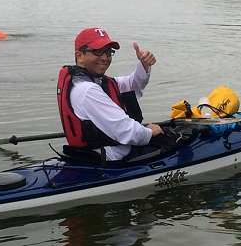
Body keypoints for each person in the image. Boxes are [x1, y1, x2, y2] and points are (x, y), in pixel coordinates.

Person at [57, 27, 164, 161]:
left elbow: (131, 85)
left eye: (108, 52)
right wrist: (150, 132)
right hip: (108, 158)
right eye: (97, 51)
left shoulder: (95, 81)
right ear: (80, 56)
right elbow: (126, 131)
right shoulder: (87, 90)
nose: (105, 57)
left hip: (99, 153)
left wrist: (144, 65)